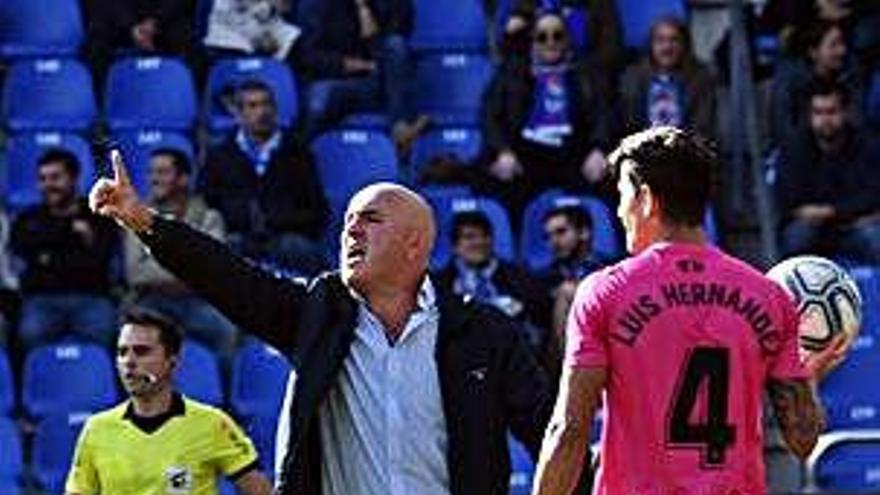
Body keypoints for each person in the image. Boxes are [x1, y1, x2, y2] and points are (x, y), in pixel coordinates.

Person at [90, 150, 561, 494]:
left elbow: (547, 432)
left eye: (370, 220)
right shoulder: (319, 314)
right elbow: (232, 279)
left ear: (415, 244)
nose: (351, 230)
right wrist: (144, 221)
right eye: (348, 222)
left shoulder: (482, 331)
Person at [531, 127, 844, 495]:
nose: (618, 211)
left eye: (622, 195)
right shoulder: (768, 296)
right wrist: (810, 373)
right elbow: (803, 440)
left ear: (646, 199)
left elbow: (568, 430)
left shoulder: (606, 292)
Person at [64, 306, 272, 495]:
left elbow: (259, 490)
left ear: (171, 362)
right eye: (122, 352)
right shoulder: (97, 428)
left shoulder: (213, 423)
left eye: (141, 351)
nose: (129, 362)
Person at [479, 9, 613, 230]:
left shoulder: (586, 72)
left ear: (567, 39)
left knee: (611, 180)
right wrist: (503, 151)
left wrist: (598, 149)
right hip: (527, 153)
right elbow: (490, 115)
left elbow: (603, 114)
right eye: (542, 37)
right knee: (494, 181)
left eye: (557, 35)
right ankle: (518, 252)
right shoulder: (513, 72)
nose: (550, 43)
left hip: (573, 152)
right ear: (532, 41)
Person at [201, 80, 329, 276]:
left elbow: (317, 210)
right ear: (238, 113)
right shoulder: (220, 154)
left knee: (301, 250)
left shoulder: (298, 152)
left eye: (266, 104)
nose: (262, 112)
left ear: (275, 109)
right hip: (238, 236)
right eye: (253, 106)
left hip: (286, 236)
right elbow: (209, 204)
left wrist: (276, 219)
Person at [125, 148, 238, 358]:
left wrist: (160, 265)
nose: (154, 179)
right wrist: (190, 267)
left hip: (199, 301)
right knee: (128, 336)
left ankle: (227, 390)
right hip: (153, 301)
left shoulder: (209, 217)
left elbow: (215, 269)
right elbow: (135, 273)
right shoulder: (136, 216)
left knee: (226, 330)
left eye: (162, 172)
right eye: (151, 173)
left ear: (184, 179)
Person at [11, 149, 118, 351]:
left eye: (55, 177)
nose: (48, 185)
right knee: (29, 334)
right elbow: (25, 253)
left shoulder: (98, 214)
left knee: (106, 335)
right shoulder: (28, 219)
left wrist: (48, 256)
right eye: (42, 179)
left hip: (91, 297)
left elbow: (99, 259)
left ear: (74, 178)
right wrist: (72, 236)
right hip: (42, 299)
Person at [296, 0, 429, 151]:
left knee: (396, 44)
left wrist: (365, 9)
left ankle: (401, 127)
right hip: (338, 83)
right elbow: (309, 57)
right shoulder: (316, 5)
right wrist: (359, 66)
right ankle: (301, 153)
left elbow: (400, 35)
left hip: (378, 85)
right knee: (321, 96)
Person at [775, 81, 880, 264]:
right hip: (813, 226)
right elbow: (789, 198)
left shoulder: (866, 144)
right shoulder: (795, 147)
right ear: (809, 115)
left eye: (831, 112)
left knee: (874, 238)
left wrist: (830, 211)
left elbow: (872, 195)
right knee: (796, 238)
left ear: (845, 112)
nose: (825, 120)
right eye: (818, 112)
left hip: (853, 225)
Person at [434, 210, 550, 353]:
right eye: (470, 237)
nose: (479, 242)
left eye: (485, 236)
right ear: (455, 246)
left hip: (509, 347)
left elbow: (538, 312)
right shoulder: (442, 282)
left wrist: (521, 308)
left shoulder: (518, 277)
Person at [619, 16, 717, 140]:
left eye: (674, 40)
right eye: (660, 40)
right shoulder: (632, 78)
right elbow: (628, 125)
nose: (667, 47)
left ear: (684, 45)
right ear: (651, 45)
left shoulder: (700, 78)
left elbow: (702, 128)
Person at [538, 204, 609, 372]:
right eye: (548, 237)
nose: (554, 242)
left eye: (561, 232)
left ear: (584, 232)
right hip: (559, 360)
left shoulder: (612, 270)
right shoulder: (542, 279)